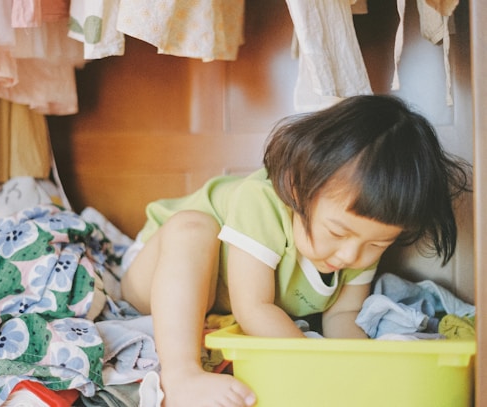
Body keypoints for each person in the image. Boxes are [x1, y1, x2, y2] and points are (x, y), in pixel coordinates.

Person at [120, 94, 471, 407]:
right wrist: (312, 364)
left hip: (213, 301)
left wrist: (356, 369)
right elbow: (253, 308)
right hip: (156, 276)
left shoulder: (358, 240)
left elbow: (342, 316)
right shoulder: (262, 202)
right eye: (338, 232)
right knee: (193, 227)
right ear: (296, 188)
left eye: (378, 244)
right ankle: (181, 375)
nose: (350, 255)